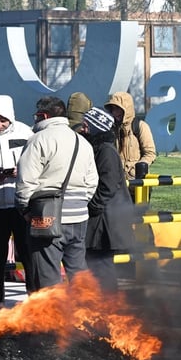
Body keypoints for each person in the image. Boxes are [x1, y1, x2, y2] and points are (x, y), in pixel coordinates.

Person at [16, 96, 98, 291]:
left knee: (47, 275)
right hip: (79, 216)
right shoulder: (82, 142)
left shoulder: (38, 140)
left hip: (45, 215)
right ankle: (86, 314)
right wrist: (78, 202)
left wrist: (25, 210)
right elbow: (92, 181)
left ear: (43, 115)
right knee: (78, 272)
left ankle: (54, 320)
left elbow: (26, 181)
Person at [0, 95, 34, 310]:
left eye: (3, 120)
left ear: (11, 117)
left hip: (20, 203)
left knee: (28, 253)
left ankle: (34, 299)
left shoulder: (25, 133)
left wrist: (20, 172)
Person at [81, 107, 134, 293]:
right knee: (97, 265)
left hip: (105, 220)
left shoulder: (105, 151)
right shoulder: (98, 149)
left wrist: (91, 207)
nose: (83, 127)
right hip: (103, 218)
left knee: (102, 266)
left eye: (87, 124)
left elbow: (108, 186)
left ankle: (107, 306)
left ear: (97, 127)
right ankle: (103, 306)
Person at [104, 91, 156, 180]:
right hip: (117, 182)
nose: (115, 112)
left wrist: (137, 169)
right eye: (112, 109)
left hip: (137, 182)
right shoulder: (110, 128)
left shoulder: (140, 126)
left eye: (118, 109)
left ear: (127, 108)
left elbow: (150, 153)